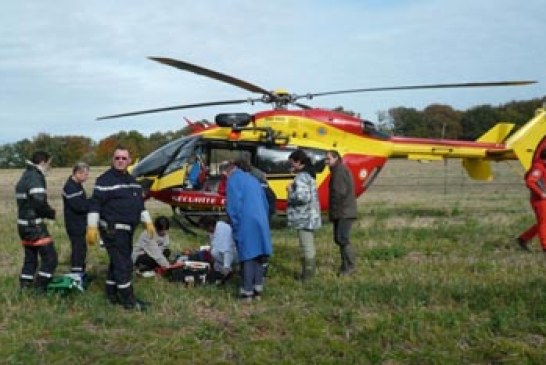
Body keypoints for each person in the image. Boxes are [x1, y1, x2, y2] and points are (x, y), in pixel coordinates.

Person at [86, 146, 155, 310]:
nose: (120, 161)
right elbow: (95, 203)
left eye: (124, 158)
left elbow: (139, 203)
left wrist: (148, 221)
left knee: (117, 263)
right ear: (113, 160)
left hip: (128, 230)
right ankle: (128, 300)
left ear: (129, 161)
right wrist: (91, 226)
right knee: (124, 264)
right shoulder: (104, 180)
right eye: (117, 158)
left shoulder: (132, 181)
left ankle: (111, 293)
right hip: (113, 230)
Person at [225, 161, 273, 301]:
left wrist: (235, 224)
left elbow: (233, 206)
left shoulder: (234, 180)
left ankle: (247, 291)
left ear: (231, 169)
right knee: (259, 255)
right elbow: (265, 203)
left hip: (246, 221)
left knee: (247, 255)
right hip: (261, 219)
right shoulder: (253, 179)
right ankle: (258, 287)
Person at [15, 151, 58, 293]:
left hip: (22, 225)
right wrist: (51, 213)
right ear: (43, 163)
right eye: (49, 164)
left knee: (31, 258)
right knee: (50, 259)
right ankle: (40, 288)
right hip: (34, 226)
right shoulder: (35, 177)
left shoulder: (25, 175)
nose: (49, 167)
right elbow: (39, 202)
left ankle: (24, 287)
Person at [286, 149, 321, 280]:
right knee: (309, 245)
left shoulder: (301, 177)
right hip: (310, 215)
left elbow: (302, 197)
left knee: (306, 246)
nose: (291, 166)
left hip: (303, 217)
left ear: (298, 162)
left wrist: (290, 191)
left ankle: (308, 276)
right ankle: (309, 272)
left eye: (292, 163)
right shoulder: (310, 175)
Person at [325, 150, 357, 276]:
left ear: (336, 158)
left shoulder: (339, 172)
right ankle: (346, 265)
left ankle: (350, 265)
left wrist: (333, 213)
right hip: (344, 211)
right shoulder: (339, 170)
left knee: (342, 238)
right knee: (340, 239)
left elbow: (338, 194)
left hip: (343, 212)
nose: (326, 162)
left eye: (328, 159)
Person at [62, 162, 90, 279]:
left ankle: (81, 272)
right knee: (78, 249)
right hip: (74, 224)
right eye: (85, 174)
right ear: (77, 173)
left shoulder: (76, 185)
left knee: (82, 248)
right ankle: (76, 274)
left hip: (80, 223)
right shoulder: (70, 187)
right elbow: (79, 206)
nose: (87, 177)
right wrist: (92, 203)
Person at [517, 148, 546, 253]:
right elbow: (530, 182)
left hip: (542, 198)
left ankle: (523, 239)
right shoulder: (538, 168)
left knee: (542, 222)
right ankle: (545, 247)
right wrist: (542, 194)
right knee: (544, 223)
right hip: (540, 200)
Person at [199, 215, 238, 282]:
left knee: (214, 253)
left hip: (235, 254)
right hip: (230, 254)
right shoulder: (217, 227)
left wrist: (226, 267)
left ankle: (229, 271)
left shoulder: (222, 232)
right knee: (214, 256)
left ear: (210, 226)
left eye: (205, 229)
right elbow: (214, 244)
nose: (205, 231)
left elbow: (227, 251)